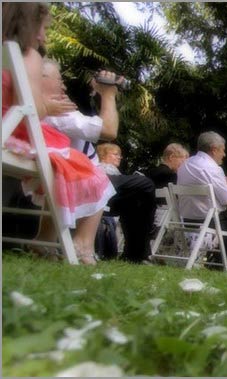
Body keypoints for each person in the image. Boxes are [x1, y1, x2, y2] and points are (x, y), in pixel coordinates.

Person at [2, 2, 116, 264]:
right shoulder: (27, 54)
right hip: (15, 135)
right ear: (28, 24)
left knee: (65, 164)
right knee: (87, 169)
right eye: (42, 28)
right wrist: (48, 105)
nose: (43, 37)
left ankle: (46, 241)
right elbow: (30, 107)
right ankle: (81, 245)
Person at [40, 58, 156, 264]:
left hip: (61, 172)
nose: (64, 85)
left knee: (135, 188)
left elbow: (87, 124)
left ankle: (134, 252)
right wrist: (109, 95)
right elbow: (109, 130)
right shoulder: (57, 113)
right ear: (40, 81)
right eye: (59, 80)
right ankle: (123, 252)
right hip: (76, 178)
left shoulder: (43, 110)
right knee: (142, 185)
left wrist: (96, 93)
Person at [177, 131, 227, 271]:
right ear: (214, 149)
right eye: (223, 150)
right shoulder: (213, 169)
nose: (224, 154)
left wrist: (226, 186)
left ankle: (216, 262)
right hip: (208, 220)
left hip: (186, 218)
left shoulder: (185, 165)